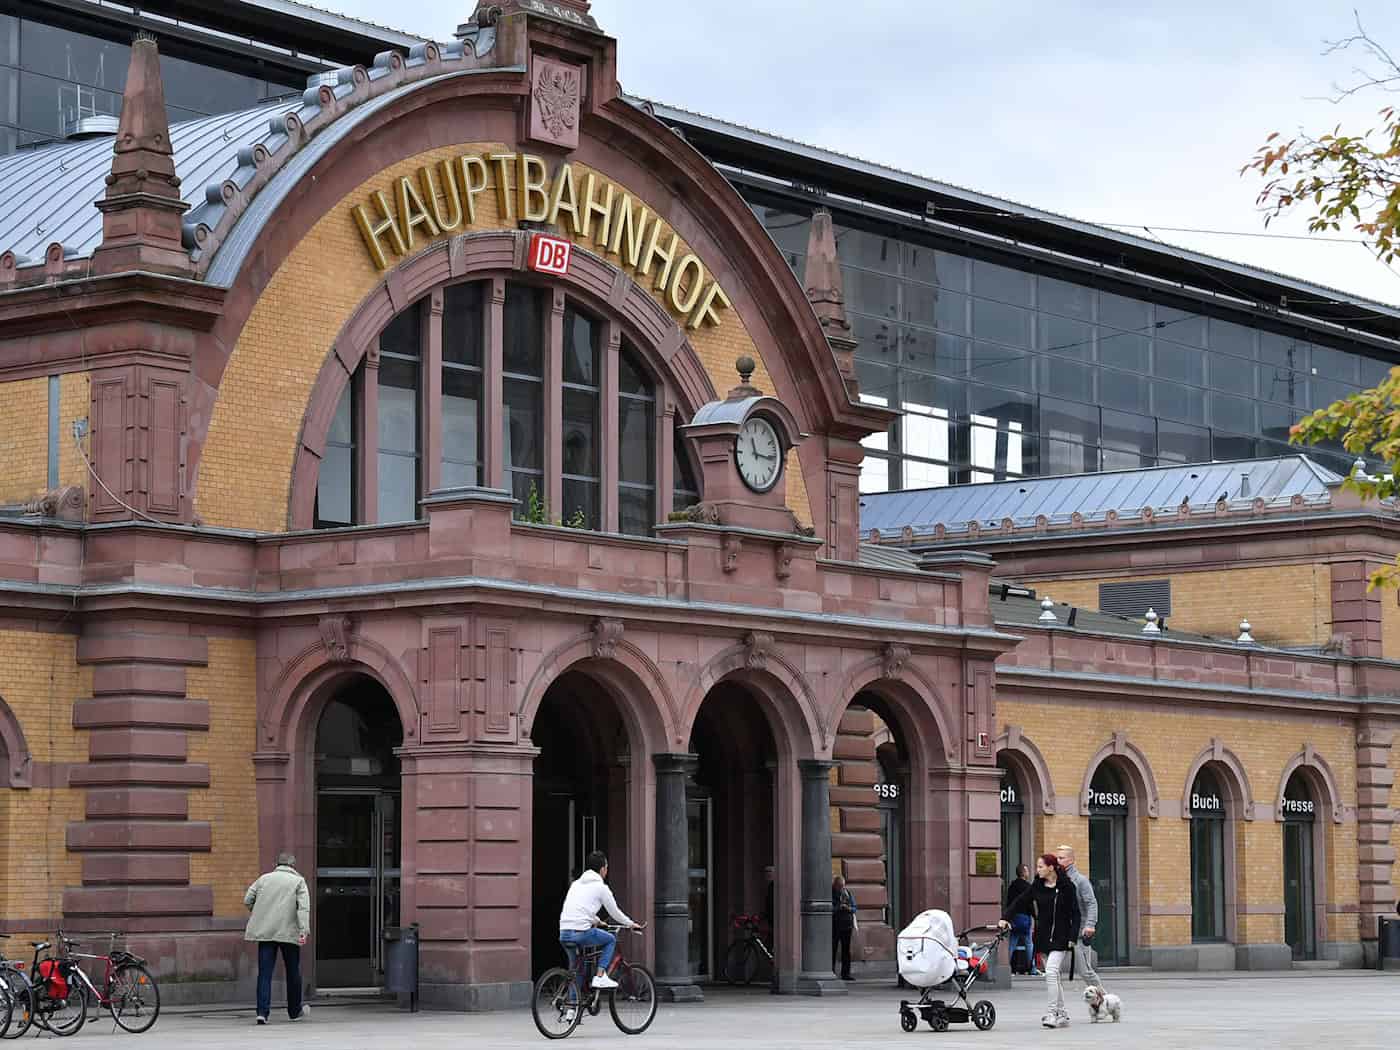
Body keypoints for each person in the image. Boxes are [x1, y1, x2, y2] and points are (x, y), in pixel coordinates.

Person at [1000, 853, 1080, 1029]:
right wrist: (1006, 917)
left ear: (1051, 868)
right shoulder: (1037, 886)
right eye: (1037, 867)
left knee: (1051, 972)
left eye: (1040, 866)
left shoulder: (1067, 886)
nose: (1037, 870)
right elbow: (1020, 902)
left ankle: (1052, 1013)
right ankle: (1063, 1014)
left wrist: (1073, 937)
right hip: (1042, 937)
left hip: (1061, 937)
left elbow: (1076, 913)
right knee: (1055, 977)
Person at [558, 850, 643, 995]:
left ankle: (571, 1010)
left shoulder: (576, 884)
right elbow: (615, 912)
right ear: (603, 869)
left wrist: (597, 921)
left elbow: (578, 909)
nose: (607, 871)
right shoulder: (601, 888)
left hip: (564, 932)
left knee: (576, 970)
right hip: (580, 932)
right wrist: (631, 924)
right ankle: (600, 975)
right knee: (610, 940)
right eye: (607, 868)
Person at [244, 851, 311, 1026]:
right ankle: (294, 1011)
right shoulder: (298, 881)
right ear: (293, 865)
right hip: (288, 932)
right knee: (293, 972)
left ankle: (262, 1013)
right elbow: (303, 909)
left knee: (265, 973)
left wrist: (259, 913)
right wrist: (303, 930)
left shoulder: (263, 879)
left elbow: (247, 899)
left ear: (277, 864)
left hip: (266, 932)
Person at [1055, 844, 1101, 990]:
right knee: (1052, 971)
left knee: (1085, 972)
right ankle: (1057, 1009)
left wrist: (1090, 924)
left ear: (1071, 860)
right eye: (1057, 857)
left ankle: (1105, 1001)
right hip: (1060, 933)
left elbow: (1091, 903)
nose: (1058, 861)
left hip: (1078, 933)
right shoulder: (1055, 879)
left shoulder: (1081, 881)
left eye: (1061, 858)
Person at [1005, 864, 1039, 976]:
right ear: (1023, 873)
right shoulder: (1028, 886)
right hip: (1024, 917)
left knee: (1012, 944)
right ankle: (1032, 969)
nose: (1029, 873)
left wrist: (1008, 918)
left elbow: (1009, 903)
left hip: (1014, 918)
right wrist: (1035, 916)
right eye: (1027, 871)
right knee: (1029, 943)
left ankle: (1006, 967)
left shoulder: (1012, 886)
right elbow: (1030, 903)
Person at [831, 875, 857, 981]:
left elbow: (854, 907)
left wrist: (848, 908)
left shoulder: (847, 893)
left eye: (843, 886)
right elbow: (829, 908)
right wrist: (838, 908)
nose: (841, 888)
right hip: (835, 925)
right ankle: (831, 971)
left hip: (847, 925)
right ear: (835, 885)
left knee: (846, 950)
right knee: (833, 949)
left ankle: (846, 973)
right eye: (839, 886)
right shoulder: (831, 893)